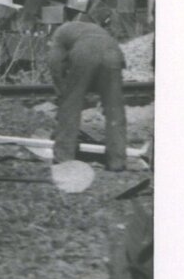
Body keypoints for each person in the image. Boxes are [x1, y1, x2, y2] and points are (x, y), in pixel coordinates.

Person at [46, 11, 128, 170]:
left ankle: (63, 157)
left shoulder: (60, 32)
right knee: (115, 109)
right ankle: (117, 161)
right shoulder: (95, 29)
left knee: (71, 106)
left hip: (85, 52)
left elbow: (54, 64)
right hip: (113, 51)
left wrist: (62, 93)